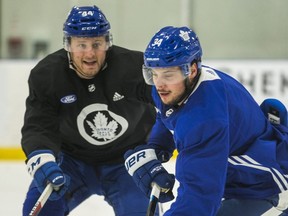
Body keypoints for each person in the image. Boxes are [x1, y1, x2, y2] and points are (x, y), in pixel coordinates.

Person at [124, 26, 288, 215]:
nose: (159, 84)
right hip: (233, 180)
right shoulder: (173, 88)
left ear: (192, 70)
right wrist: (156, 149)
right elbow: (167, 118)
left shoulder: (204, 117)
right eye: (153, 73)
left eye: (168, 74)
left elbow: (198, 198)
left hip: (267, 185)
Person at [21, 5, 158, 216]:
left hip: (127, 162)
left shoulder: (135, 68)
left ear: (107, 43)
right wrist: (42, 157)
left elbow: (168, 105)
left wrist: (158, 147)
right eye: (81, 44)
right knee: (40, 211)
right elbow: (38, 124)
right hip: (71, 163)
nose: (90, 53)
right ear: (68, 44)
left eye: (97, 44)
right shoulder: (47, 74)